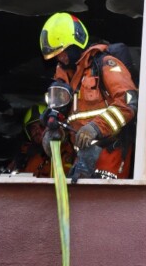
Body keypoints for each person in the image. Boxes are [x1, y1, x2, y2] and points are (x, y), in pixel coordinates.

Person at [38, 12, 137, 179]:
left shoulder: (104, 64)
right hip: (83, 158)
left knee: (105, 203)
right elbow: (69, 121)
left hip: (111, 153)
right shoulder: (65, 80)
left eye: (63, 51)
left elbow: (129, 102)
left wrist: (95, 128)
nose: (61, 58)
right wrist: (54, 135)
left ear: (76, 42)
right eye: (56, 56)